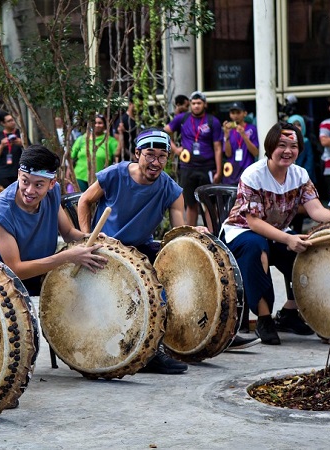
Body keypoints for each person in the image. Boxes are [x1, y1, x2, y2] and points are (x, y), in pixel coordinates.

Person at [77, 130, 258, 372]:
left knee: (186, 273)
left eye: (162, 156)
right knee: (155, 289)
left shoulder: (171, 190)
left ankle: (216, 330)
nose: (155, 162)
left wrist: (194, 231)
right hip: (109, 247)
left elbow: (178, 232)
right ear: (137, 154)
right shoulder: (115, 174)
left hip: (140, 247)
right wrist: (86, 237)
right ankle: (151, 353)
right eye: (150, 154)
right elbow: (84, 201)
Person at [221, 122, 330, 345]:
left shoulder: (300, 174)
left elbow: (315, 210)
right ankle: (264, 318)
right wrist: (288, 239)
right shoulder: (253, 174)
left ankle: (291, 312)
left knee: (309, 249)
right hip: (242, 231)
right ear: (270, 147)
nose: (287, 151)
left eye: (293, 146)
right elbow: (254, 222)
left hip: (278, 231)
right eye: (281, 145)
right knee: (258, 249)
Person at [0, 144, 107, 296]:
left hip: (36, 278)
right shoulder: (0, 212)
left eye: (38, 184)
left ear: (51, 183)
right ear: (19, 174)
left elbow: (69, 232)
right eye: (25, 181)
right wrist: (66, 257)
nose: (30, 190)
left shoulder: (53, 193)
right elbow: (16, 270)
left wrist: (90, 238)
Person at [164, 91, 223, 226]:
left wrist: (219, 171)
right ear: (190, 104)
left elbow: (218, 148)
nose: (196, 106)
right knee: (190, 204)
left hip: (207, 166)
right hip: (187, 167)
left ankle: (212, 236)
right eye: (193, 103)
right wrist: (175, 149)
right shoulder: (182, 118)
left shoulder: (212, 121)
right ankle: (192, 235)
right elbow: (166, 131)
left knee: (209, 204)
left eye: (199, 103)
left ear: (205, 104)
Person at [70, 113, 119, 191]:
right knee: (78, 200)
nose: (97, 125)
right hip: (79, 177)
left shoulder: (110, 140)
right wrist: (68, 174)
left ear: (105, 125)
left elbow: (117, 153)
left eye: (100, 123)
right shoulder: (81, 139)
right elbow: (71, 158)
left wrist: (121, 135)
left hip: (100, 179)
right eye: (95, 123)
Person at [221, 101, 259, 186]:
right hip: (232, 173)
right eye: (233, 113)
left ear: (245, 113)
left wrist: (244, 135)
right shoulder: (228, 130)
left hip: (247, 171)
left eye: (238, 112)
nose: (235, 115)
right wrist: (226, 135)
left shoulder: (251, 129)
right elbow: (228, 154)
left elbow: (255, 152)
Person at [0, 112, 24, 187]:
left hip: (20, 171)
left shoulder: (21, 134)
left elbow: (31, 149)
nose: (13, 122)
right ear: (3, 123)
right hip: (4, 173)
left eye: (13, 120)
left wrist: (22, 143)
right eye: (9, 121)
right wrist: (1, 145)